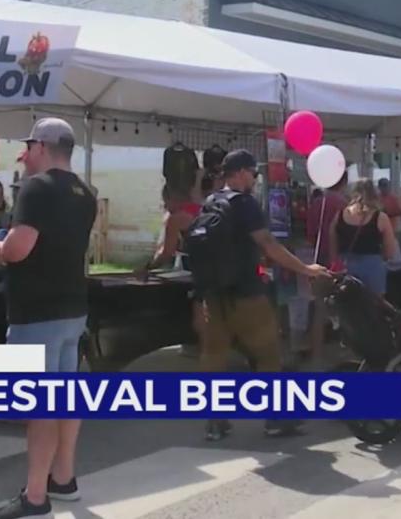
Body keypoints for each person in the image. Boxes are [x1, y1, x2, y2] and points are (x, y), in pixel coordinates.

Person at [0, 118, 97, 519]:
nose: (24, 152)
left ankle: (35, 497)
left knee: (40, 407)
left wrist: (0, 247)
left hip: (37, 312)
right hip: (73, 307)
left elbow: (20, 249)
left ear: (42, 146)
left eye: (28, 144)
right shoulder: (85, 193)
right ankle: (63, 478)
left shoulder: (36, 188)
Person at [189, 150, 330, 443]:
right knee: (269, 356)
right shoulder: (245, 204)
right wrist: (305, 268)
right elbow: (268, 244)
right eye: (253, 172)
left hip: (214, 297)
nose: (255, 178)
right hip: (247, 295)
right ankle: (276, 419)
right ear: (240, 172)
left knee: (214, 356)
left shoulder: (210, 201)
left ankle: (215, 422)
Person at [138, 185, 203, 354]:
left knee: (198, 316)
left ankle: (204, 351)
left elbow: (166, 253)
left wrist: (147, 268)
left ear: (172, 199)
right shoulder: (204, 209)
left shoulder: (176, 218)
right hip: (221, 267)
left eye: (166, 202)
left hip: (202, 272)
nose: (166, 207)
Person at [299, 173, 347, 362]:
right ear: (343, 182)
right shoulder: (344, 205)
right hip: (340, 260)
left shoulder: (317, 203)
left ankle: (316, 353)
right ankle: (343, 351)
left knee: (319, 308)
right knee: (344, 308)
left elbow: (310, 233)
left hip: (318, 259)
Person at [327, 180, 400, 298]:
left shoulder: (339, 215)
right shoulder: (380, 218)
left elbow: (332, 248)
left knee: (345, 306)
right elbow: (390, 252)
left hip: (346, 267)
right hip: (373, 269)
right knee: (372, 309)